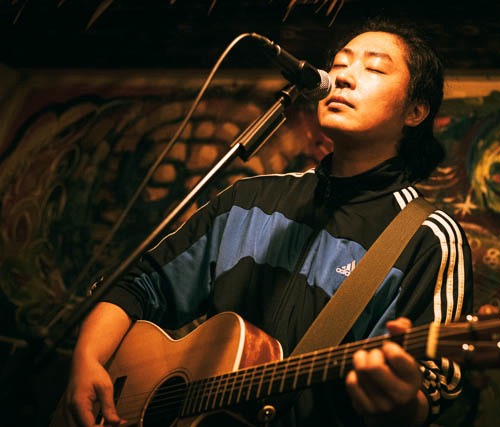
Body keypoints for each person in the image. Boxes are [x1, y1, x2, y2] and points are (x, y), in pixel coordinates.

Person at [61, 16, 473, 427]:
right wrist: (88, 358)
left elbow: (432, 388)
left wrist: (402, 403)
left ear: (416, 111)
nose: (343, 77)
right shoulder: (248, 200)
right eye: (339, 64)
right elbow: (139, 284)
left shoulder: (427, 238)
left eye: (374, 68)